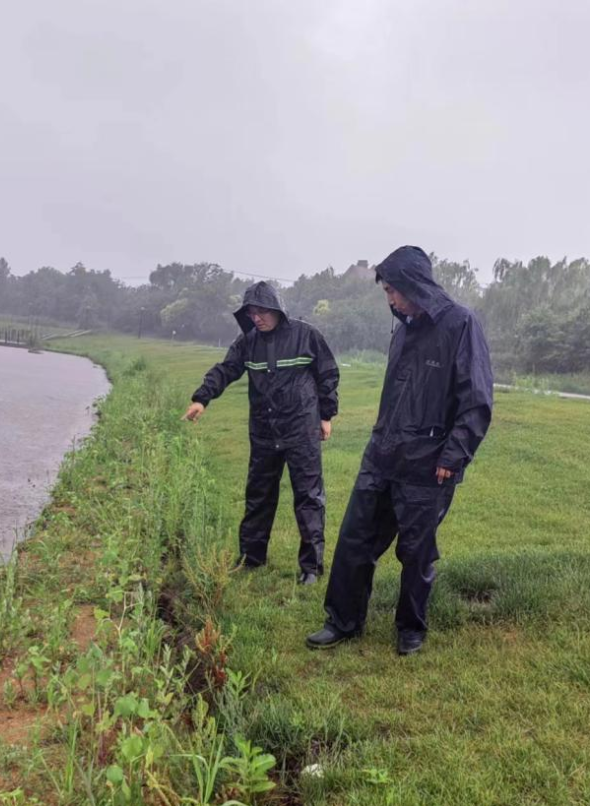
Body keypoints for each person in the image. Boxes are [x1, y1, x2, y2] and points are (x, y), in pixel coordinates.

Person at [306, 245, 493, 655]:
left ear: (414, 284)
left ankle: (411, 628)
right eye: (386, 291)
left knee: (416, 549)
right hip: (382, 454)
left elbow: (476, 399)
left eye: (393, 290)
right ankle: (343, 620)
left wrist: (454, 455)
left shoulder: (461, 324)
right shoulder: (404, 328)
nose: (390, 299)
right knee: (355, 539)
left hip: (428, 463)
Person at [183, 281, 339, 584]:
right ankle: (251, 558)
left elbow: (328, 373)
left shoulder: (306, 336)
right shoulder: (247, 342)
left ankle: (311, 568)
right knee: (259, 495)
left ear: (277, 308)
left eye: (263, 311)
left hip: (301, 430)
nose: (257, 318)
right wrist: (202, 398)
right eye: (252, 313)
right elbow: (225, 369)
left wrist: (326, 415)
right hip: (264, 432)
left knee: (308, 497)